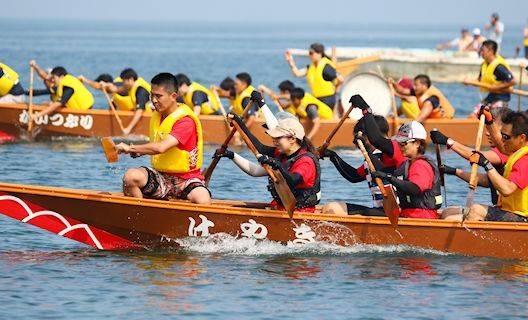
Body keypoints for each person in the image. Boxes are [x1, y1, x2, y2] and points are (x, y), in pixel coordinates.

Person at [115, 73, 211, 204]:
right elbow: (155, 145)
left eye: (158, 96)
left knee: (203, 198)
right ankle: (140, 214)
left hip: (186, 180)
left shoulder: (185, 120)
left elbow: (161, 147)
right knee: (130, 177)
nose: (153, 100)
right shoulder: (157, 116)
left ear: (173, 96)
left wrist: (130, 147)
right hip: (161, 176)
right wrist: (139, 151)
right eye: (152, 95)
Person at [214, 114, 321, 212]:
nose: (274, 141)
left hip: (300, 212)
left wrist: (276, 164)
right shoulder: (281, 154)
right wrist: (232, 154)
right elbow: (258, 154)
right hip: (280, 208)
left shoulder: (306, 161)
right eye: (274, 138)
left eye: (278, 138)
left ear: (292, 139)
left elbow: (294, 180)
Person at [432, 107, 512, 218]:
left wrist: (447, 141)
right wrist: (454, 171)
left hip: (509, 213)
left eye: (492, 130)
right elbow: (485, 181)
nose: (488, 134)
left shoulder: (507, 152)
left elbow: (475, 156)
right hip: (498, 208)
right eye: (487, 129)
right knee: (447, 211)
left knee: (450, 219)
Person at [453, 112, 528, 222]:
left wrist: (486, 164)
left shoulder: (525, 160)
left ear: (522, 138)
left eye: (506, 137)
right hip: (510, 211)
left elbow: (506, 190)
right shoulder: (515, 151)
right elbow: (500, 145)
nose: (502, 140)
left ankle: (468, 239)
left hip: (522, 218)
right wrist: (489, 123)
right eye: (502, 135)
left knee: (477, 209)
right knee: (457, 212)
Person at [321, 114, 394, 216]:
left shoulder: (393, 152)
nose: (355, 143)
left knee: (332, 209)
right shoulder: (372, 156)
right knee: (330, 208)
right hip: (380, 211)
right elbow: (354, 176)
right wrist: (333, 156)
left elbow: (384, 170)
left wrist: (367, 150)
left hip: (395, 213)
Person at [370, 121, 443, 219]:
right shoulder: (408, 163)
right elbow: (383, 170)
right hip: (407, 214)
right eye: (399, 143)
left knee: (361, 212)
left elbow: (414, 189)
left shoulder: (420, 165)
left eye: (403, 143)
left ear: (417, 143)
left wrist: (389, 178)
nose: (400, 147)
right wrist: (367, 149)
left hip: (420, 217)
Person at [285, 43, 343, 109]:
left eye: (311, 53)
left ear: (320, 54)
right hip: (317, 99)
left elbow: (340, 79)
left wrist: (336, 91)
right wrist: (291, 62)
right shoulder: (311, 67)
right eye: (309, 53)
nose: (310, 55)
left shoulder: (326, 67)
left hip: (327, 100)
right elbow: (297, 73)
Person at [28, 62, 94, 120]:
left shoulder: (68, 87)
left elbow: (57, 104)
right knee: (45, 103)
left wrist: (37, 115)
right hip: (77, 110)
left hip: (84, 113)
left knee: (49, 104)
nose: (52, 80)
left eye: (54, 78)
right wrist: (35, 66)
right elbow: (45, 77)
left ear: (61, 77)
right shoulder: (64, 80)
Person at [464, 40, 516, 111]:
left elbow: (513, 81)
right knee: (475, 113)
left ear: (491, 51)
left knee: (493, 116)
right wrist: (469, 82)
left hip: (502, 97)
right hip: (492, 96)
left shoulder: (499, 67)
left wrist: (496, 87)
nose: (481, 53)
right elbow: (479, 81)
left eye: (483, 51)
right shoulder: (484, 64)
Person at [100, 68, 151, 135]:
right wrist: (106, 85)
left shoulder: (140, 91)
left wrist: (128, 128)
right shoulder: (130, 87)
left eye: (124, 81)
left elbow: (139, 111)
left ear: (131, 80)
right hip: (144, 113)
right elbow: (117, 89)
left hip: (149, 115)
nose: (123, 84)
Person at [390, 74, 455, 122]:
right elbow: (402, 91)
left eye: (416, 85)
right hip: (432, 122)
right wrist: (393, 83)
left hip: (444, 122)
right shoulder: (418, 91)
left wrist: (406, 127)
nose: (414, 87)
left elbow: (421, 117)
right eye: (413, 85)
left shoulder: (431, 99)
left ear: (425, 86)